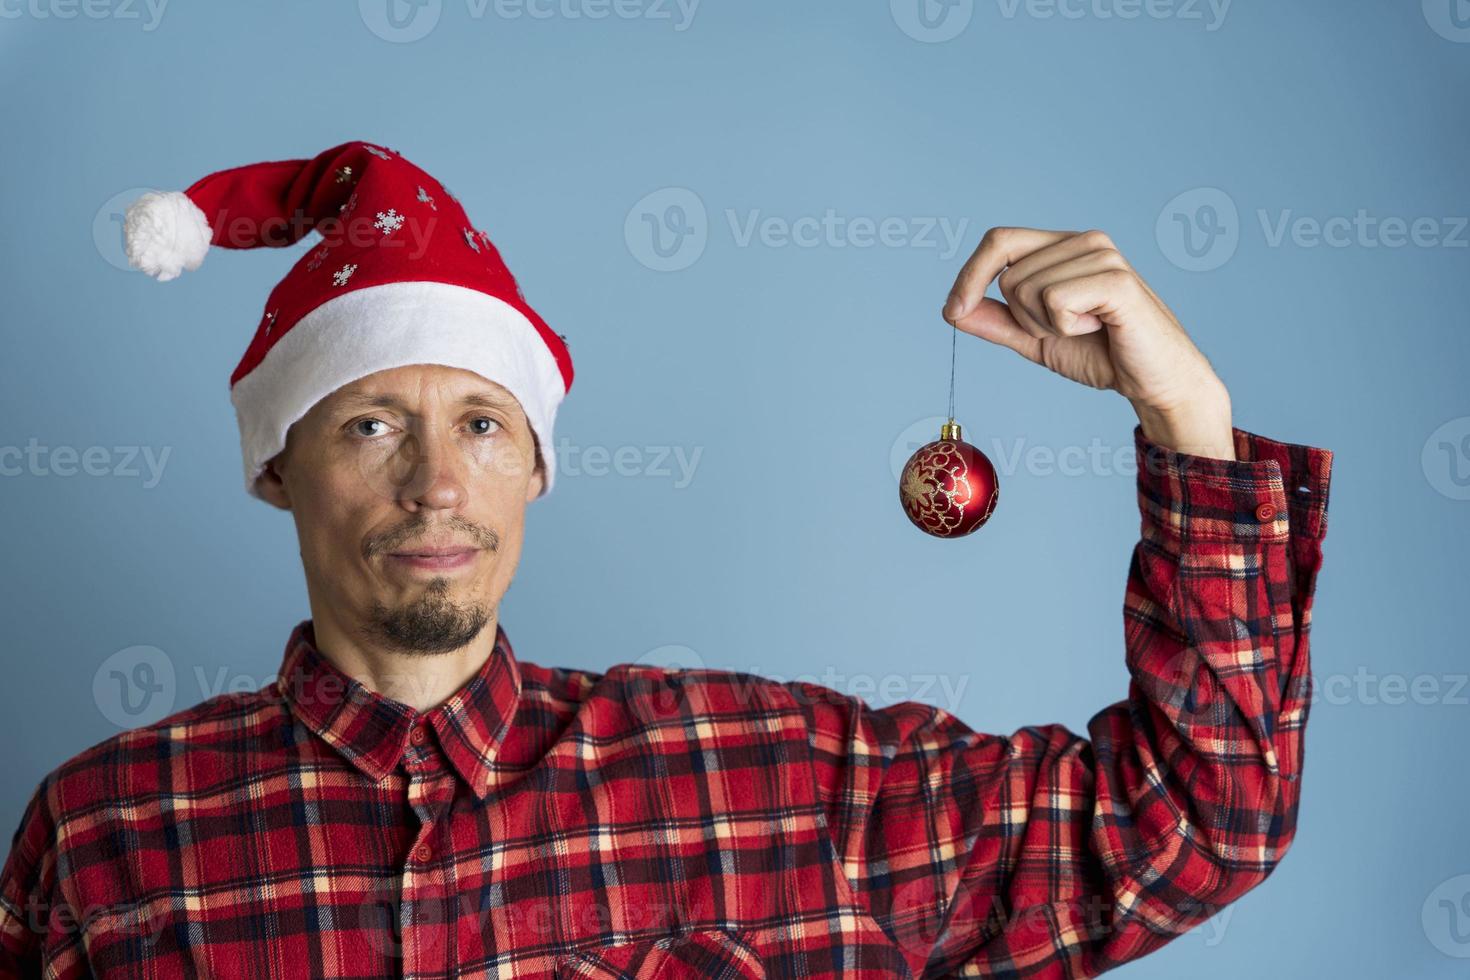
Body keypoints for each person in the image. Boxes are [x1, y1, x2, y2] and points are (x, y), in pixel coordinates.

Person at [0, 141, 1333, 979]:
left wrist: (1185, 422)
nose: (436, 482)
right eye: (368, 424)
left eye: (481, 423)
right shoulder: (107, 834)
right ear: (277, 465)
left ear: (536, 465)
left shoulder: (781, 782)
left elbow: (1190, 827)